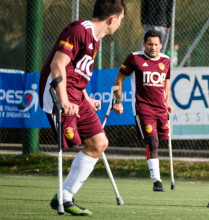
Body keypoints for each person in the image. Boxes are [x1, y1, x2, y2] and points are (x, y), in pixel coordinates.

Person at [39, 0, 126, 216]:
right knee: (72, 140)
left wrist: (87, 98)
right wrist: (64, 101)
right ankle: (64, 197)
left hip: (77, 96)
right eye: (121, 20)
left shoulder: (95, 40)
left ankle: (64, 196)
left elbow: (77, 73)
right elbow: (57, 65)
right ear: (112, 19)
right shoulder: (78, 30)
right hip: (58, 95)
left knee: (99, 143)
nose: (120, 24)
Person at [113, 30, 173, 192]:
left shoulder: (166, 60)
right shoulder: (134, 58)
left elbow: (167, 82)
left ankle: (159, 177)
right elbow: (118, 79)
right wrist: (117, 101)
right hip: (143, 108)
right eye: (150, 44)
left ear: (161, 45)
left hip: (161, 109)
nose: (153, 47)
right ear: (144, 44)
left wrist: (168, 102)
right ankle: (157, 180)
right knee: (152, 141)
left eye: (156, 44)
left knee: (162, 141)